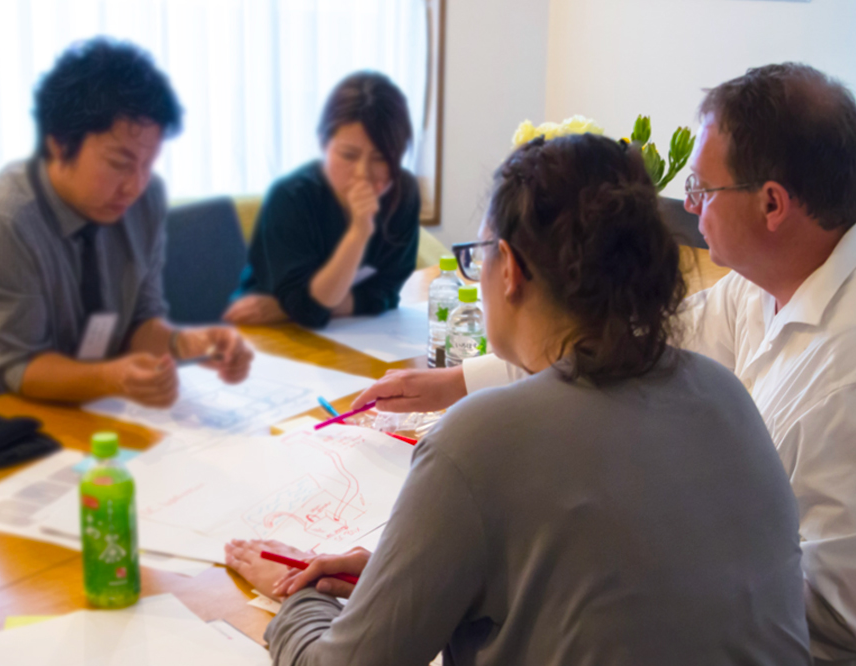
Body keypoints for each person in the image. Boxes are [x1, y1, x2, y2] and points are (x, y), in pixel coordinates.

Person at [356, 63, 856, 665]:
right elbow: (631, 337)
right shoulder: (778, 276)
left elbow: (850, 618)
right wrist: (459, 381)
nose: (689, 206)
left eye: (702, 191)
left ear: (773, 204)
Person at [225, 133, 811, 665]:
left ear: (508, 269)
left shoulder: (481, 437)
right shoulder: (722, 392)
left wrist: (298, 602)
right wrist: (401, 578)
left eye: (478, 256)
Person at [0, 38, 253, 407]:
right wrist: (113, 377)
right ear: (59, 144)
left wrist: (185, 344)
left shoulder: (145, 199)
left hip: (97, 405)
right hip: (2, 420)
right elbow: (18, 366)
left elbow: (140, 320)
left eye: (147, 163)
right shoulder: (5, 222)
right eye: (120, 163)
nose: (135, 185)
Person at [223, 71, 420, 329]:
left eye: (381, 158)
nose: (363, 173)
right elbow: (310, 312)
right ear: (323, 144)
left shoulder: (402, 194)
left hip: (351, 334)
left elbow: (385, 293)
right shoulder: (291, 197)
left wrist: (288, 308)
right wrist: (359, 232)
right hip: (263, 334)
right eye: (348, 155)